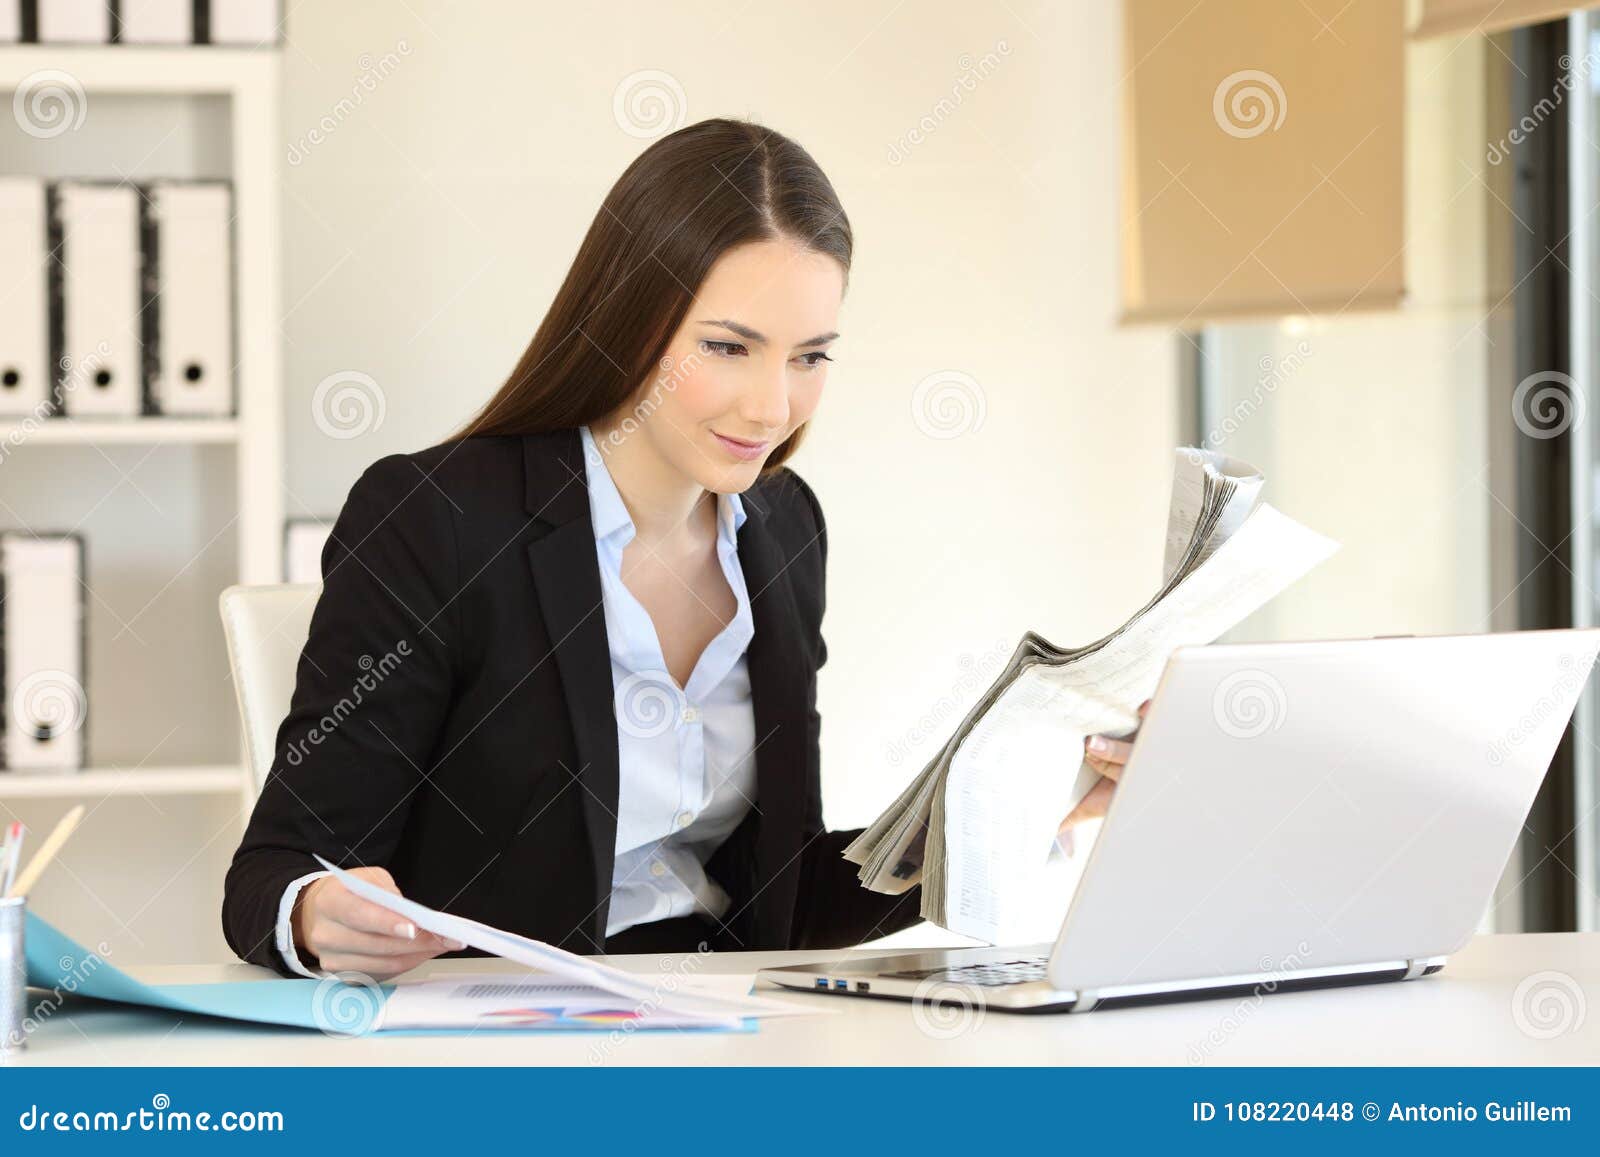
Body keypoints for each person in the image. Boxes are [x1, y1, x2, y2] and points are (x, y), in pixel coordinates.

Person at [221, 118, 1134, 980]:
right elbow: (275, 871)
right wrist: (313, 913)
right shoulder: (438, 517)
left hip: (723, 1025)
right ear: (628, 319)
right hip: (501, 1043)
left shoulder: (782, 530)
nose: (772, 407)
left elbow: (784, 898)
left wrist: (1020, 806)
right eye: (730, 347)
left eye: (810, 356)